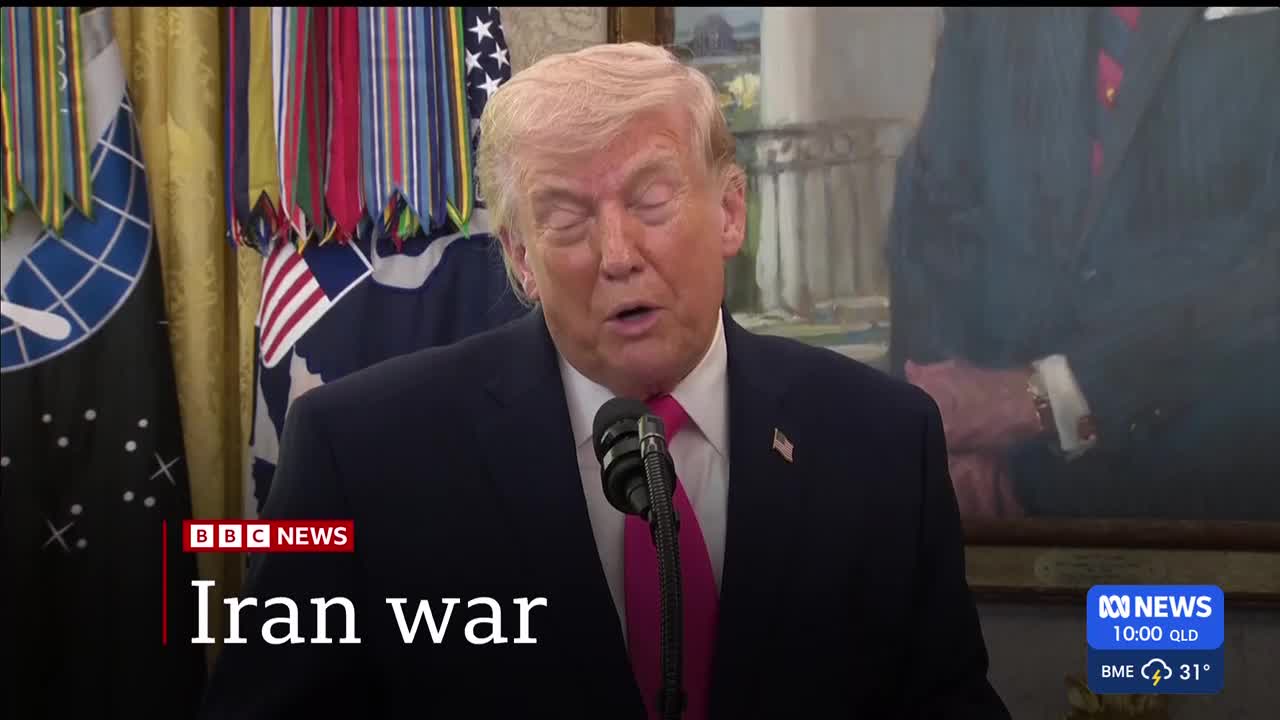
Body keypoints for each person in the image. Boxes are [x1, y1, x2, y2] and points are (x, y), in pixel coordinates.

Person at [200, 42, 1009, 719]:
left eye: (651, 200)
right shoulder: (359, 455)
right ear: (520, 259)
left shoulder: (883, 439)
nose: (617, 253)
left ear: (731, 212)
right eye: (565, 219)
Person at [888, 7, 1280, 519]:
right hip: (989, 498)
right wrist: (946, 431)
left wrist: (1051, 396)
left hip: (1214, 487)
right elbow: (935, 211)